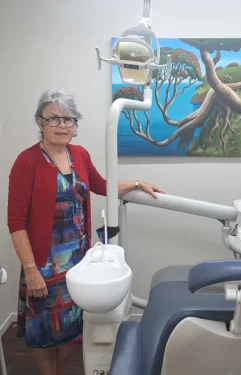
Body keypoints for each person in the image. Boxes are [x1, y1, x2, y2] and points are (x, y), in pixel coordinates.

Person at [7, 89, 165, 375]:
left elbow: (102, 185)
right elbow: (16, 221)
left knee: (74, 328)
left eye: (69, 119)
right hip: (44, 263)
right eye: (54, 118)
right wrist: (31, 270)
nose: (63, 125)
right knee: (45, 333)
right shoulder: (26, 161)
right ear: (39, 122)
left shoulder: (79, 154)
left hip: (80, 261)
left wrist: (139, 184)